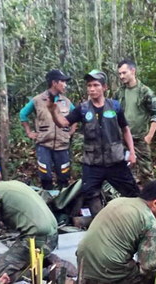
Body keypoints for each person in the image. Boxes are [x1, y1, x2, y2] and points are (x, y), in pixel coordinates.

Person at [48, 69, 140, 216]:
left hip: (115, 160)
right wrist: (53, 111)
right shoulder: (83, 109)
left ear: (104, 87)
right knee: (90, 193)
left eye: (96, 85)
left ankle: (135, 220)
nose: (92, 89)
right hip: (92, 162)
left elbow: (125, 129)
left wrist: (132, 152)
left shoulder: (115, 106)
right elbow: (63, 123)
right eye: (89, 85)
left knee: (132, 192)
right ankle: (101, 221)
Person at [76, 181, 156, 283]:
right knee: (152, 277)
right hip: (108, 270)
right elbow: (150, 267)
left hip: (83, 262)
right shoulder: (149, 222)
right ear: (155, 203)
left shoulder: (119, 201)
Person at [0, 176, 60, 282]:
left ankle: (48, 273)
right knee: (7, 264)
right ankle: (45, 265)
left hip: (36, 239)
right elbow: (11, 218)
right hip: (52, 236)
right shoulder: (13, 184)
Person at [20, 69, 77, 189]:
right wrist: (29, 132)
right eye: (63, 82)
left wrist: (71, 132)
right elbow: (23, 114)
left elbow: (75, 116)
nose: (65, 85)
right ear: (54, 83)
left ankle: (63, 201)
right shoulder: (38, 100)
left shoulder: (66, 102)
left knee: (64, 174)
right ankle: (47, 198)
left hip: (62, 145)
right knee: (45, 174)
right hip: (44, 144)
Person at [114, 59, 156, 185]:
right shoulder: (119, 92)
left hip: (140, 139)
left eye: (124, 73)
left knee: (146, 172)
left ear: (133, 71)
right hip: (123, 139)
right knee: (124, 172)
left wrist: (149, 136)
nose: (121, 76)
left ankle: (151, 200)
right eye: (119, 74)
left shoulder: (145, 92)